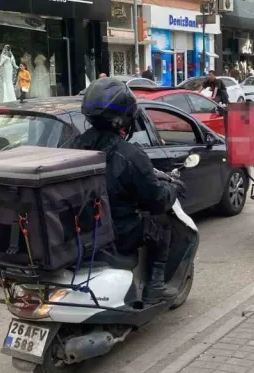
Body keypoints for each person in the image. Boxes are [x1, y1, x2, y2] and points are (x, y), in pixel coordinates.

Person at [73, 77, 179, 305]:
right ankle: (155, 287)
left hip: (80, 229)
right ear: (124, 119)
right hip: (117, 232)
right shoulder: (130, 155)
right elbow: (156, 200)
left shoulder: (74, 145)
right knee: (161, 224)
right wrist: (172, 188)